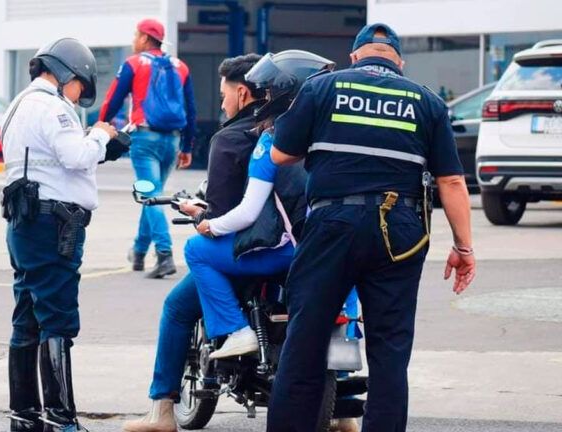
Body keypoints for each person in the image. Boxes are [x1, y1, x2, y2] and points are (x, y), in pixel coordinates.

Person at [266, 23, 476, 432]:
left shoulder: (322, 88)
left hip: (332, 224)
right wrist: (463, 248)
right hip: (399, 230)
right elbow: (451, 181)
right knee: (390, 351)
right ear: (399, 63)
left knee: (305, 342)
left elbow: (279, 155)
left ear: (355, 57)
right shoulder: (427, 102)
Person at [121, 53, 264, 432]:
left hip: (241, 249)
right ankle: (341, 414)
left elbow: (219, 211)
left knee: (177, 307)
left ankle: (162, 411)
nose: (221, 102)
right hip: (291, 249)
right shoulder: (285, 133)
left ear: (243, 93)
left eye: (224, 94)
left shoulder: (230, 138)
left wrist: (197, 212)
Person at [1, 38, 121, 432]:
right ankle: (60, 419)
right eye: (79, 87)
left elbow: (55, 163)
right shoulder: (53, 107)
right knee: (58, 318)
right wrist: (101, 135)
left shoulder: (19, 105)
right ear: (67, 74)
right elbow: (75, 157)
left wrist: (103, 147)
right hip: (53, 226)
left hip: (26, 222)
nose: (78, 96)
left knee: (27, 316)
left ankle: (25, 416)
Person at [183, 50, 335, 360]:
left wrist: (210, 225)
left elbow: (249, 211)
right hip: (334, 245)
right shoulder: (333, 137)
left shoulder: (273, 142)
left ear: (283, 95)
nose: (263, 99)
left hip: (291, 251)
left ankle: (236, 330)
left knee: (195, 250)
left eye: (268, 92)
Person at [99, 18, 197, 279]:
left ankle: (164, 254)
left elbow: (114, 99)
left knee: (150, 193)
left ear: (144, 38)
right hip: (172, 140)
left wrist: (101, 124)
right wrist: (187, 146)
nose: (134, 40)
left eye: (135, 35)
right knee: (152, 193)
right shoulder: (180, 66)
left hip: (145, 139)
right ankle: (139, 252)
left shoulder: (133, 64)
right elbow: (191, 108)